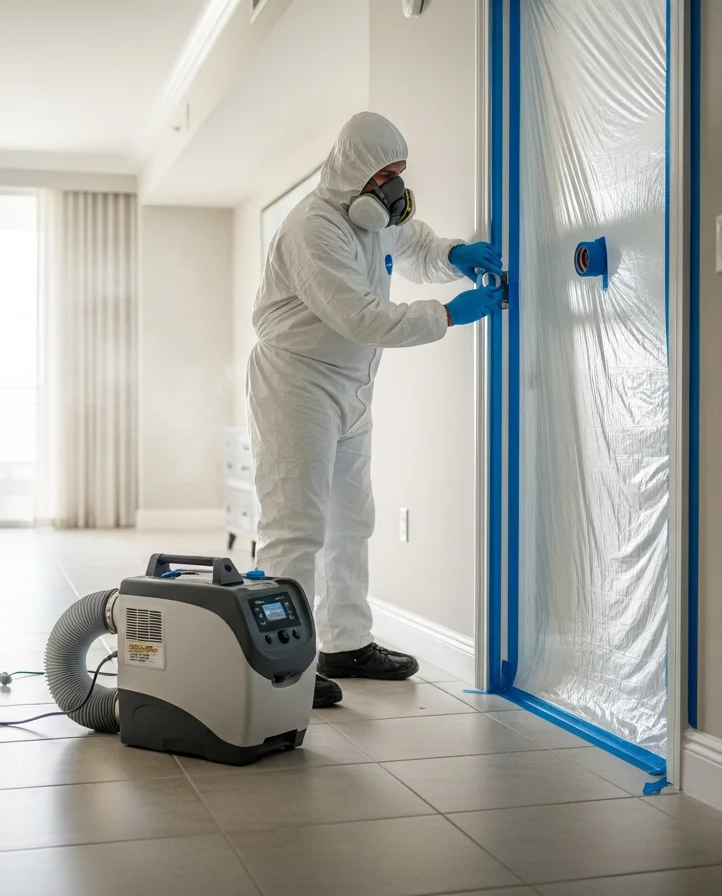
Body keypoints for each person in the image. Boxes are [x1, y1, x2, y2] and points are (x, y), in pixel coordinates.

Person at [248, 111, 504, 708]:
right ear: (352, 171)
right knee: (295, 525)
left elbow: (418, 247)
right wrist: (447, 314)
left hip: (353, 384)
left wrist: (456, 255)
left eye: (398, 173)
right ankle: (283, 666)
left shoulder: (379, 218)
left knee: (351, 519)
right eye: (383, 175)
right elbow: (360, 318)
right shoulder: (312, 228)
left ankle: (346, 643)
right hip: (296, 381)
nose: (393, 187)